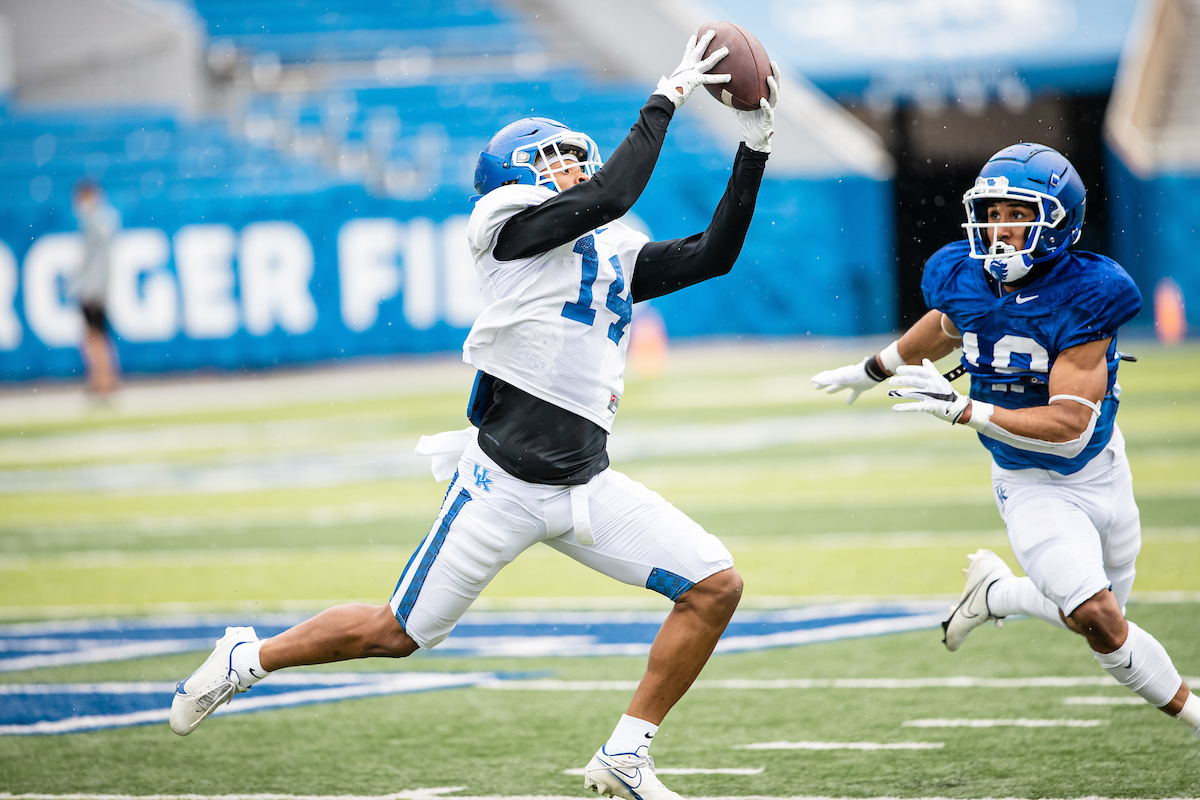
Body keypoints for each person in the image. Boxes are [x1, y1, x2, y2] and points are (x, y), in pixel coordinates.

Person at [170, 31, 780, 800]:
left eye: (576, 158)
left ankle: (625, 753)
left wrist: (754, 146)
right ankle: (248, 658)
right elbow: (608, 195)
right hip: (502, 486)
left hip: (586, 485)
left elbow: (713, 253)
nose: (574, 169)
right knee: (396, 632)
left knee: (716, 585)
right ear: (512, 177)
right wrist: (664, 100)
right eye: (555, 160)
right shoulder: (507, 230)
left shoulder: (608, 251)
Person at [811, 142, 1200, 740]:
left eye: (1017, 213)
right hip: (1027, 483)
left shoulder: (1090, 290)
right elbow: (948, 324)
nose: (999, 229)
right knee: (1098, 617)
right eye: (991, 213)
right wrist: (874, 369)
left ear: (1058, 221)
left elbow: (1069, 429)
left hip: (1100, 466)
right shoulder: (964, 275)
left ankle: (996, 594)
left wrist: (969, 410)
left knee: (1092, 614)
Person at [71, 180, 120, 395]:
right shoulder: (96, 223)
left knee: (96, 337)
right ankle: (100, 379)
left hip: (93, 290)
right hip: (92, 288)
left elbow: (98, 262)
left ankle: (104, 381)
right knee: (93, 337)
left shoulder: (98, 222)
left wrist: (93, 287)